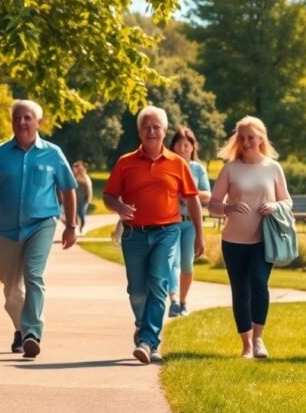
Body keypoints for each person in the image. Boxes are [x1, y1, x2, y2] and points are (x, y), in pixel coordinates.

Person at [0, 100, 78, 359]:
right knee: (11, 289)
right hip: (6, 229)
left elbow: (68, 190)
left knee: (33, 275)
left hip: (41, 224)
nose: (22, 122)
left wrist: (71, 225)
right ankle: (21, 328)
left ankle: (32, 333)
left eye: (27, 117)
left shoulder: (53, 154)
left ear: (38, 122)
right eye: (17, 118)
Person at [103, 106, 205, 364]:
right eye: (146, 127)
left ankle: (148, 341)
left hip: (166, 232)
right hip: (134, 234)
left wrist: (199, 235)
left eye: (156, 127)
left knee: (158, 283)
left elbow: (193, 200)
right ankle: (143, 326)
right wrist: (118, 207)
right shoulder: (125, 163)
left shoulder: (177, 163)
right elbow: (108, 196)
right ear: (139, 131)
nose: (151, 131)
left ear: (165, 130)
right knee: (137, 290)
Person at [208, 116, 291, 359]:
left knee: (259, 283)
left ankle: (258, 340)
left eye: (250, 137)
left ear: (261, 139)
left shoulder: (273, 168)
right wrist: (228, 208)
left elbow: (287, 200)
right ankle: (246, 345)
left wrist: (275, 206)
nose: (245, 142)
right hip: (233, 241)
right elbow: (212, 205)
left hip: (263, 240)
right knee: (240, 290)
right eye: (242, 138)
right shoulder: (230, 169)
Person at [167, 127, 211, 318]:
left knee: (187, 264)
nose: (183, 149)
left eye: (187, 145)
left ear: (193, 148)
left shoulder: (198, 169)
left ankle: (183, 301)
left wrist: (190, 195)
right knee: (172, 261)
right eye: (179, 144)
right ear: (173, 147)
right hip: (171, 222)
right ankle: (174, 300)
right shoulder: (167, 166)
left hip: (191, 223)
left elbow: (207, 194)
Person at [72, 161, 94, 234]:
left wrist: (88, 198)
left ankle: (81, 227)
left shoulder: (85, 178)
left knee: (81, 214)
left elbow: (89, 189)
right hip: (76, 198)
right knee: (74, 214)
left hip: (83, 199)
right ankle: (76, 227)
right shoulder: (74, 177)